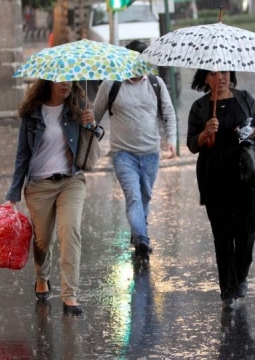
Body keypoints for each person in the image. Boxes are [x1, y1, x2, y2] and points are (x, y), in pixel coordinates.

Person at [5, 79, 94, 316]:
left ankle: (70, 296)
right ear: (49, 83)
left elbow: (90, 147)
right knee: (42, 240)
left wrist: (90, 126)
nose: (66, 85)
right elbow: (22, 154)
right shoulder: (32, 112)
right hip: (39, 186)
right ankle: (42, 277)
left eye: (70, 80)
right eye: (60, 81)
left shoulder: (77, 106)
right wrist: (13, 195)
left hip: (71, 181)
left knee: (70, 231)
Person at [83, 40, 176, 262]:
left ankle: (139, 235)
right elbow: (96, 115)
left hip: (151, 152)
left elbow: (169, 114)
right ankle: (142, 239)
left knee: (145, 196)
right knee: (133, 196)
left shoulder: (156, 84)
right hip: (123, 154)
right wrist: (88, 121)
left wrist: (171, 140)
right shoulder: (111, 85)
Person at [186, 70, 255, 311]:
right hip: (214, 178)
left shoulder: (245, 98)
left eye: (225, 72)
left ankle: (241, 276)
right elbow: (191, 144)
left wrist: (250, 131)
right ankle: (227, 290)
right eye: (213, 73)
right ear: (205, 79)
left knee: (246, 233)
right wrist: (205, 133)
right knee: (222, 235)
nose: (220, 77)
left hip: (245, 175)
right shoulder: (200, 107)